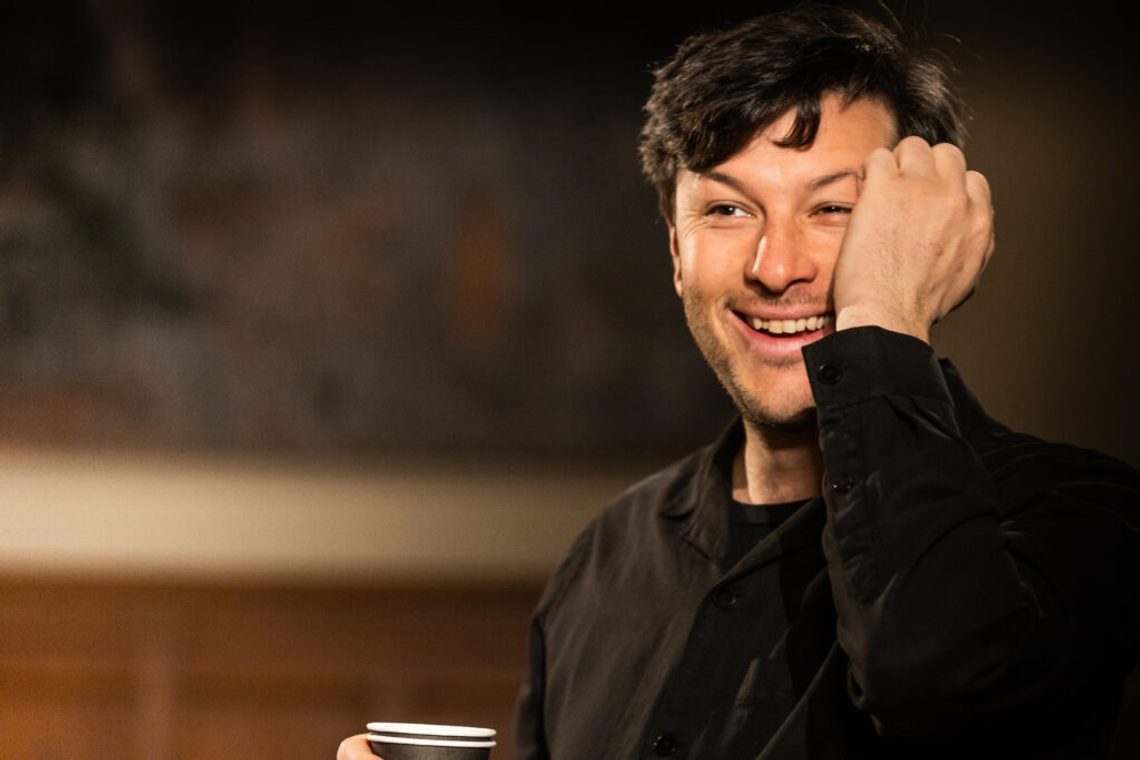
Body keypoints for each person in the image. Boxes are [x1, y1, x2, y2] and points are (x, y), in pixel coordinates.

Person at [338, 4, 1140, 759]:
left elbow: (934, 687)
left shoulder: (1074, 518)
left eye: (833, 211)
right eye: (727, 211)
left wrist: (885, 318)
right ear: (675, 247)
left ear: (924, 236)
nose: (775, 267)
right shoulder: (610, 555)